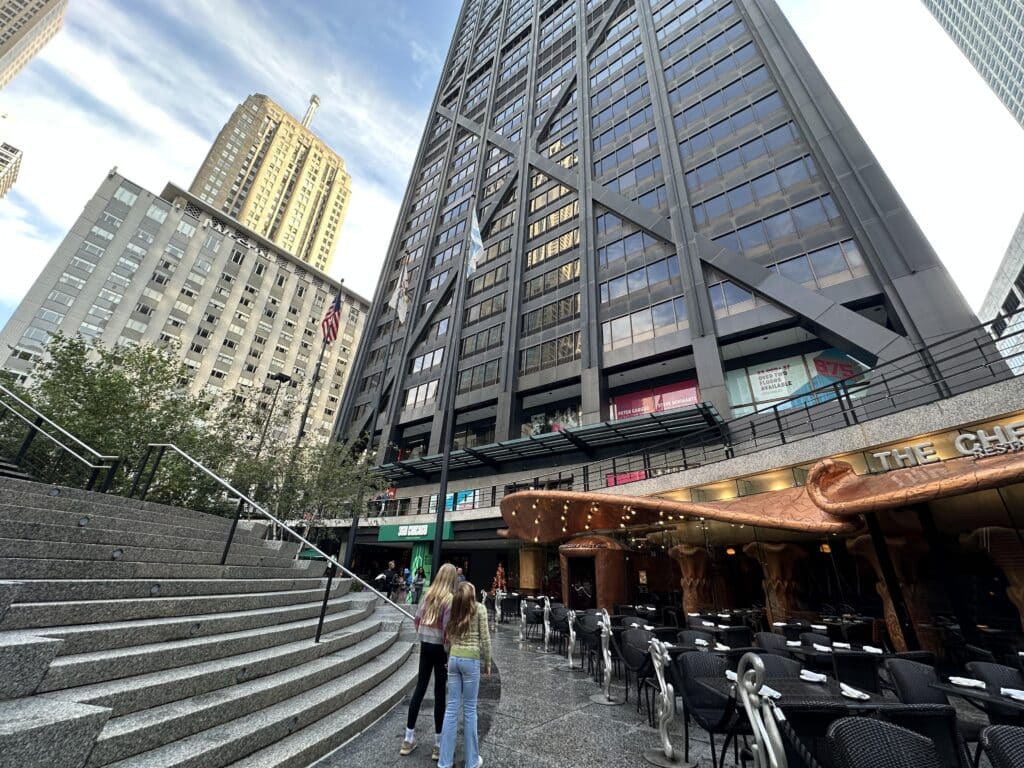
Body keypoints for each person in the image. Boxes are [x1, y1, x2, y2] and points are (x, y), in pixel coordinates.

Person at [401, 563, 458, 760]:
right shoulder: (449, 599)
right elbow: (447, 630)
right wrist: (448, 651)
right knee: (440, 692)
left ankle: (408, 738)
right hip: (440, 649)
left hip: (425, 645)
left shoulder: (428, 595)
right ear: (452, 578)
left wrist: (423, 634)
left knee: (420, 687)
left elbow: (417, 619)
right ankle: (438, 744)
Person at [438, 580, 491, 768]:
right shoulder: (480, 609)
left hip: (454, 659)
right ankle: (472, 761)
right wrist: (488, 662)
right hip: (471, 660)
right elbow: (485, 638)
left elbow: (447, 635)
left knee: (451, 709)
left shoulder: (454, 609)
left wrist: (449, 655)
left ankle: (444, 762)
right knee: (470, 710)